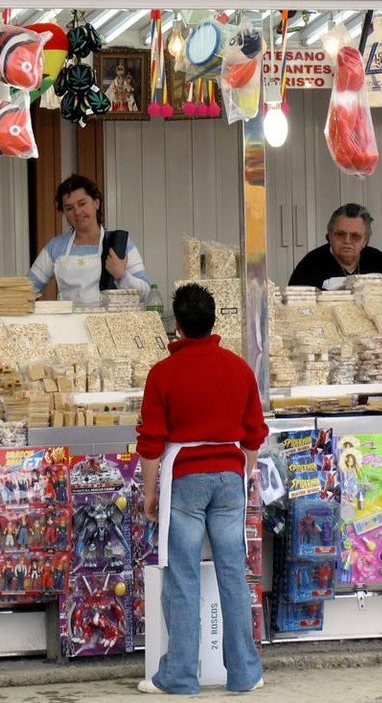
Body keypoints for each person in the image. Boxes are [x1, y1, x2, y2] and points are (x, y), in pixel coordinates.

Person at [135, 283, 268, 695]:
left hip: (185, 481)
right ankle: (245, 674)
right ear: (214, 322)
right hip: (229, 478)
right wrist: (243, 475)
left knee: (183, 577)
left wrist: (150, 492)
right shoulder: (239, 369)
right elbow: (254, 434)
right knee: (233, 575)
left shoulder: (162, 373)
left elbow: (151, 442)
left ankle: (179, 676)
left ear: (176, 326)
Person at [27, 174, 151, 307]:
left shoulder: (120, 244)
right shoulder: (55, 247)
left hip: (108, 325)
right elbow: (27, 290)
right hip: (68, 325)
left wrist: (121, 275)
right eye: (69, 208)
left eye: (82, 203)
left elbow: (145, 293)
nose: (77, 212)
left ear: (96, 203)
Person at [288, 203, 382, 289]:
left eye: (355, 236)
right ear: (329, 236)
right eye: (340, 234)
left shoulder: (380, 261)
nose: (347, 241)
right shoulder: (310, 264)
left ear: (366, 241)